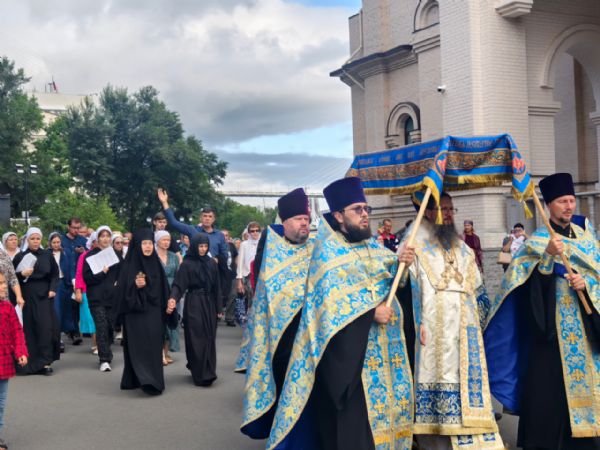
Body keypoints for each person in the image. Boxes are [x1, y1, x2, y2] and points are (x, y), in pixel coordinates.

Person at [268, 177, 414, 450]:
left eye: (366, 209)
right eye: (357, 209)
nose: (364, 214)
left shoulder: (373, 247)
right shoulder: (327, 254)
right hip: (349, 364)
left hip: (383, 357)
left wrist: (402, 264)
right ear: (338, 215)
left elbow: (393, 282)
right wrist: (370, 315)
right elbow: (326, 312)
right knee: (351, 433)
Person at [485, 173, 600, 449]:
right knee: (552, 399)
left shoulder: (587, 238)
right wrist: (547, 258)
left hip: (587, 330)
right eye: (562, 202)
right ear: (549, 205)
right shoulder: (537, 242)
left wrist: (587, 284)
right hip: (553, 335)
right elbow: (523, 288)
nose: (569, 206)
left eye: (571, 200)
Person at [396, 192, 504, 448]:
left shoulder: (463, 248)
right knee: (437, 404)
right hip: (433, 335)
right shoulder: (412, 245)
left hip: (466, 336)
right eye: (443, 209)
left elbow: (479, 292)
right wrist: (401, 266)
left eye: (451, 209)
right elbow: (400, 288)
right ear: (428, 212)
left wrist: (484, 326)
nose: (449, 214)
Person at [240, 188, 313, 439]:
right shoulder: (271, 252)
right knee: (284, 387)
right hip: (281, 336)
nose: (304, 223)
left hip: (311, 334)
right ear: (284, 222)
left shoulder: (317, 248)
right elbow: (264, 292)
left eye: (306, 218)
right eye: (298, 218)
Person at [117, 229, 175, 395]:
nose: (148, 247)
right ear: (137, 245)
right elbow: (121, 291)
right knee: (138, 346)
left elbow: (164, 288)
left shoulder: (156, 264)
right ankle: (139, 379)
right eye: (144, 243)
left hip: (154, 312)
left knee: (154, 345)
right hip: (134, 314)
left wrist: (169, 303)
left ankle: (152, 380)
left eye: (150, 243)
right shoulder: (128, 265)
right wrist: (135, 286)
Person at [167, 234, 220, 386]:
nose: (203, 249)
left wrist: (218, 307)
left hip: (209, 303)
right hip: (194, 302)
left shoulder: (211, 263)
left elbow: (217, 287)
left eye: (205, 246)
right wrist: (173, 298)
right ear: (195, 246)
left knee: (209, 337)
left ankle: (208, 370)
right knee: (196, 336)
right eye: (200, 246)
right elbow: (179, 284)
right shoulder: (187, 264)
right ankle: (198, 371)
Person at [13, 227, 60, 375]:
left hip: (44, 296)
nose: (35, 241)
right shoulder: (20, 256)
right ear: (27, 240)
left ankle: (45, 362)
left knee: (45, 328)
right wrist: (22, 274)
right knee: (29, 329)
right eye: (32, 239)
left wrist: (52, 288)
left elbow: (55, 274)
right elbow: (12, 278)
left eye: (38, 239)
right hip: (26, 296)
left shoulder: (47, 255)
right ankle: (28, 363)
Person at [83, 226, 121, 372]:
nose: (105, 239)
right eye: (102, 236)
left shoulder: (116, 255)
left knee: (110, 327)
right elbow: (87, 278)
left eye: (107, 236)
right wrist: (102, 273)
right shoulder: (90, 256)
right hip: (96, 297)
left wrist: (119, 282)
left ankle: (106, 349)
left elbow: (124, 272)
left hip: (113, 297)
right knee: (101, 326)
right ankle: (104, 359)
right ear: (97, 238)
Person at [156, 189, 228, 262]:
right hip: (195, 266)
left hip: (213, 267)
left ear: (214, 219)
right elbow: (173, 222)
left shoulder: (219, 235)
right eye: (205, 216)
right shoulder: (192, 230)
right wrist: (164, 202)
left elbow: (225, 255)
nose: (207, 218)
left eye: (210, 216)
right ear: (200, 218)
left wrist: (216, 260)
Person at [0, 271, 28, 450]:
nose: (5, 286)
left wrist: (20, 352)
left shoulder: (7, 307)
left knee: (1, 402)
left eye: (4, 282)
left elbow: (17, 331)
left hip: (3, 362)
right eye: (1, 283)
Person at [155, 230, 181, 364]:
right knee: (159, 323)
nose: (166, 242)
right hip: (158, 291)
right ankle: (159, 354)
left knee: (170, 322)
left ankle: (165, 352)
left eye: (168, 240)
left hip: (172, 292)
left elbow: (178, 275)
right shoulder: (153, 256)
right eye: (163, 240)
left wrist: (177, 293)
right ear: (157, 241)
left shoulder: (174, 256)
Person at [60, 217, 87, 346]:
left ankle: (75, 332)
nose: (76, 230)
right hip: (65, 278)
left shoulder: (83, 241)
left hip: (79, 277)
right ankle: (70, 330)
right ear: (68, 227)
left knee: (76, 304)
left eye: (78, 228)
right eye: (74, 228)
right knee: (67, 305)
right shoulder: (61, 240)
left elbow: (89, 254)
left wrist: (83, 252)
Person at [48, 232, 75, 352]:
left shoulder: (65, 252)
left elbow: (71, 267)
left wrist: (73, 282)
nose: (56, 244)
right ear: (50, 243)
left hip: (65, 283)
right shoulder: (47, 254)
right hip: (54, 284)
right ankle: (57, 339)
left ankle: (66, 334)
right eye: (54, 242)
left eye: (58, 242)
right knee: (56, 311)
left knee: (66, 311)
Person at [75, 233, 97, 353]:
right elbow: (79, 274)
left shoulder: (107, 254)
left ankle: (102, 343)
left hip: (103, 291)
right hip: (86, 290)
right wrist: (78, 291)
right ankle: (96, 343)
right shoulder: (84, 256)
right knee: (91, 318)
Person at [236, 222, 261, 311]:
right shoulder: (244, 244)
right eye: (252, 231)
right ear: (249, 232)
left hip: (261, 275)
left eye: (257, 230)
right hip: (248, 275)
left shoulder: (264, 243)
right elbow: (240, 263)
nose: (255, 233)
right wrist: (239, 281)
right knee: (249, 300)